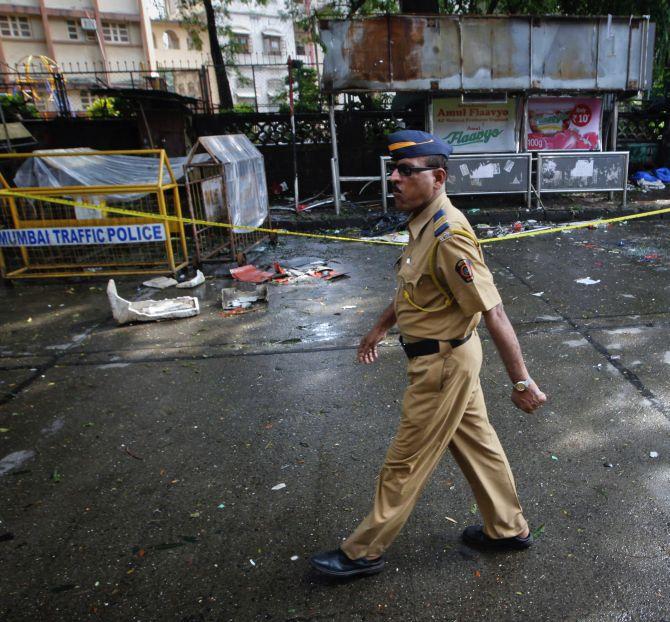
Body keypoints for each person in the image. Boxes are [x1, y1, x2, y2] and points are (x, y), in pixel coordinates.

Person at [310, 130, 547, 579]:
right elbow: (412, 290)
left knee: (405, 460)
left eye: (405, 171)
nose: (393, 179)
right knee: (479, 446)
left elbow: (493, 310)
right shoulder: (423, 223)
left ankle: (363, 551)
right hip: (449, 359)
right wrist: (378, 328)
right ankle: (507, 528)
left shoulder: (448, 235)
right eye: (392, 170)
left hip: (442, 365)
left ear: (437, 177)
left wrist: (521, 381)